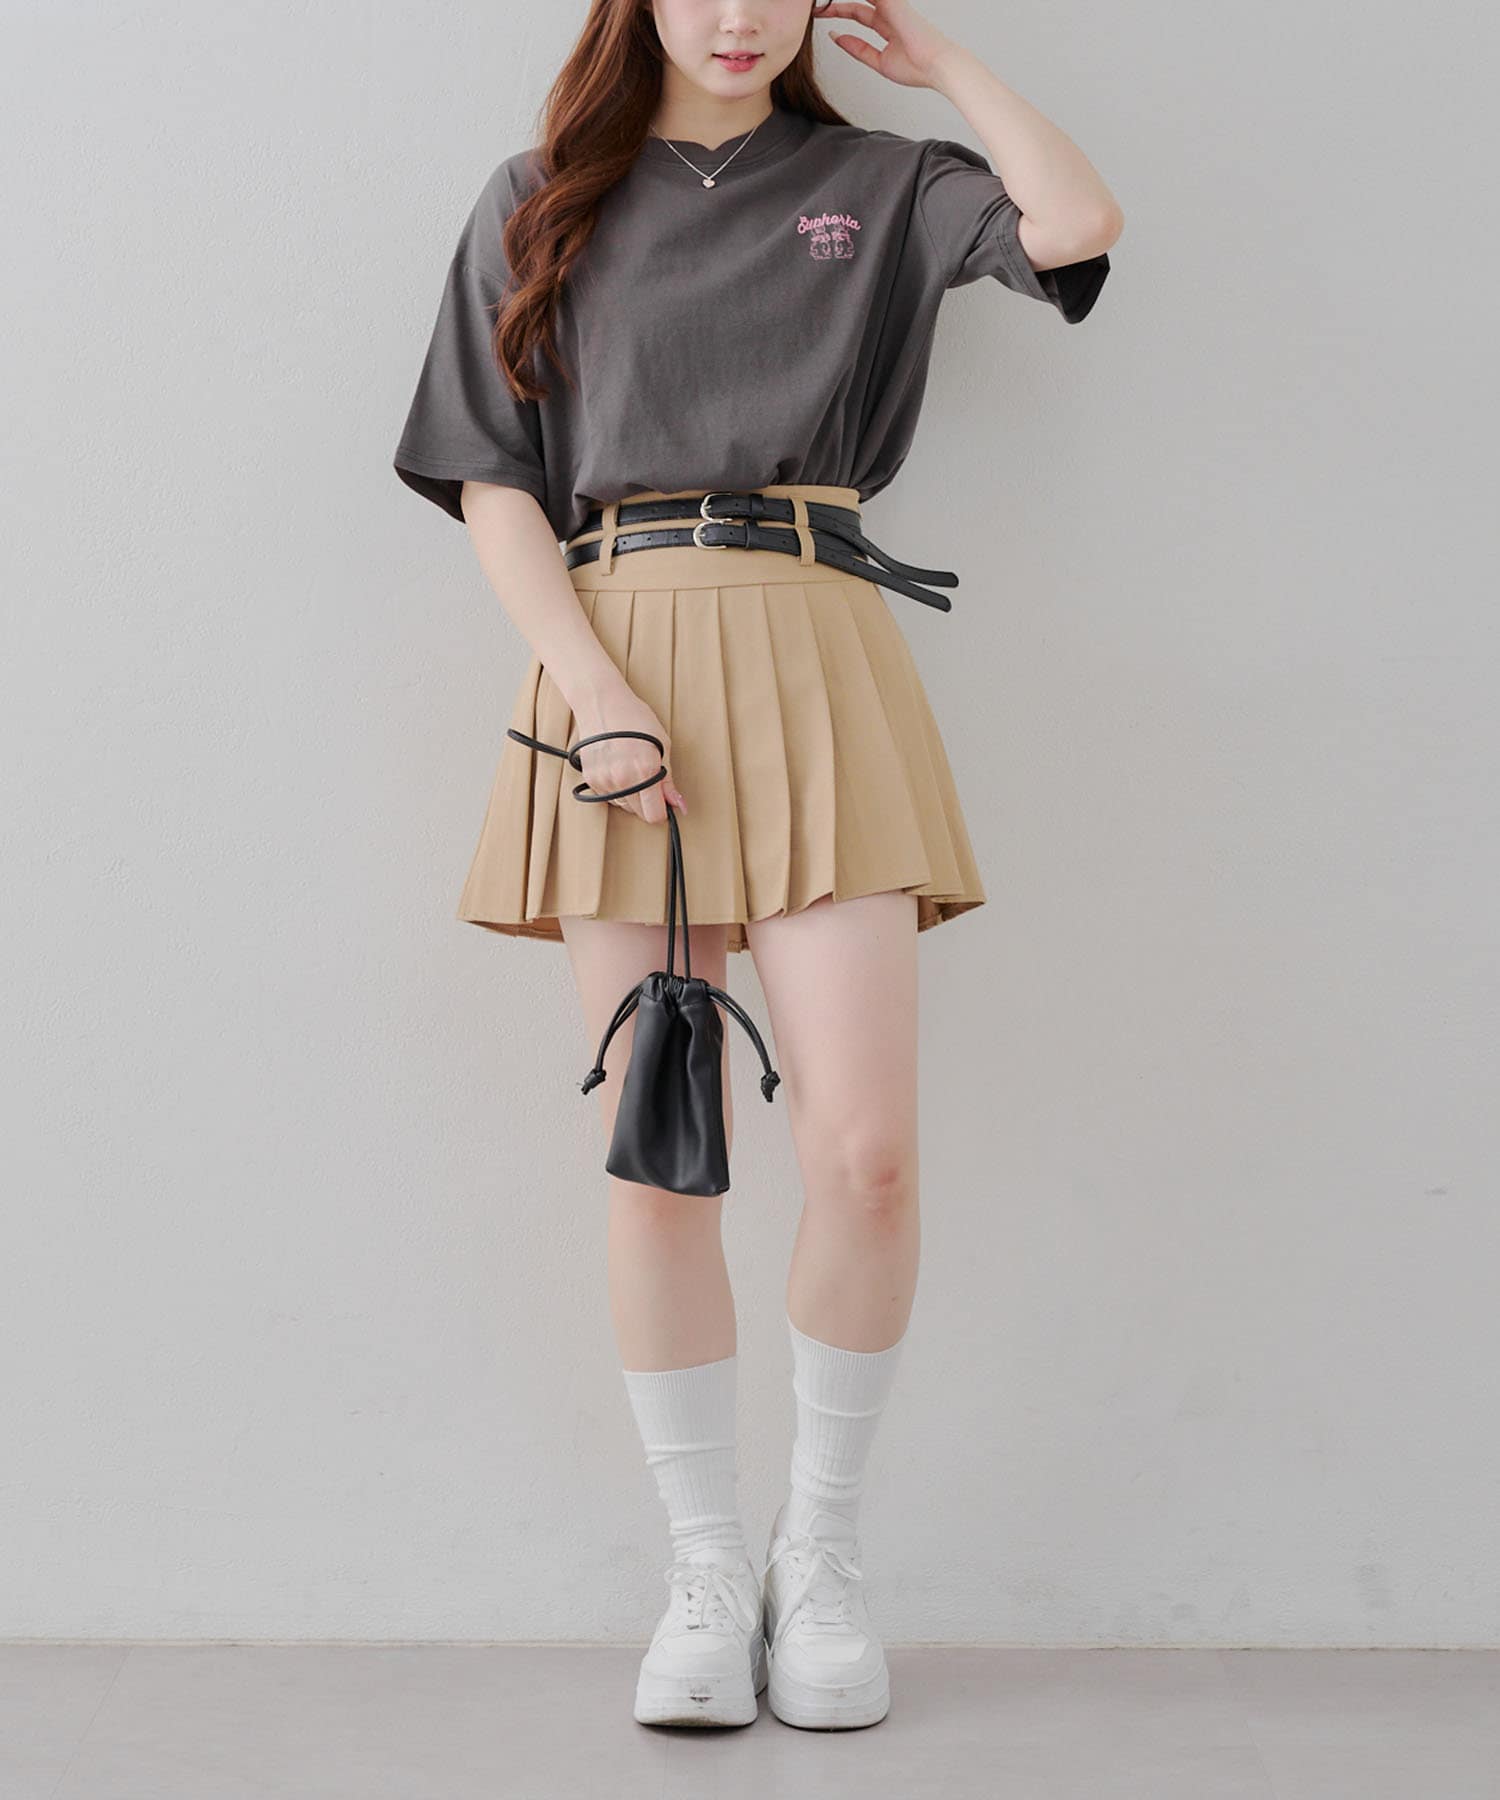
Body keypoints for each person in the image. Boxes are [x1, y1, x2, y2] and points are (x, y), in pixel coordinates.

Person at [392, 0, 1121, 1734]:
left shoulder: (880, 181)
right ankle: (705, 1570)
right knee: (665, 1155)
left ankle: (825, 1552)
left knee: (866, 1155)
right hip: (617, 661)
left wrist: (941, 67)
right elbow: (495, 481)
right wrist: (596, 697)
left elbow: (1077, 225)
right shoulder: (540, 194)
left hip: (817, 649)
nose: (735, 14)